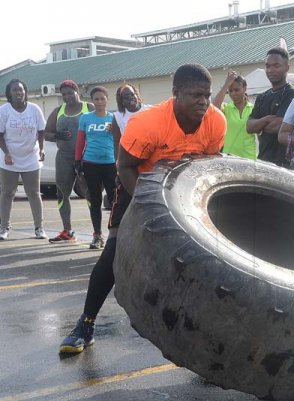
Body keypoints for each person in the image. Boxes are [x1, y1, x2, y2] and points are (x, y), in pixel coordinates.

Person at [59, 64, 226, 354]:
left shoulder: (216, 121)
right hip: (139, 182)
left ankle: (204, 336)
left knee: (208, 259)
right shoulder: (148, 123)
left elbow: (207, 169)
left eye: (207, 96)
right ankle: (85, 324)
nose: (203, 102)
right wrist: (148, 208)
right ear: (175, 94)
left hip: (184, 187)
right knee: (114, 251)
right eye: (195, 95)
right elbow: (124, 166)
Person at [44, 80, 94, 243]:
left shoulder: (89, 108)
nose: (67, 97)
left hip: (86, 157)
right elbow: (47, 134)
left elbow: (102, 127)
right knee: (62, 193)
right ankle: (67, 231)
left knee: (90, 194)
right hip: (64, 157)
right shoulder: (59, 111)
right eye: (63, 94)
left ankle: (97, 232)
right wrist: (58, 135)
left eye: (70, 93)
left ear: (77, 91)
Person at [0, 79, 47, 240]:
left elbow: (41, 130)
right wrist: (6, 152)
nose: (18, 93)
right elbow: (0, 135)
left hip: (31, 157)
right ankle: (4, 228)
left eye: (21, 90)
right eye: (14, 90)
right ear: (9, 94)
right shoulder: (4, 110)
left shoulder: (34, 109)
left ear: (25, 92)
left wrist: (41, 148)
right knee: (7, 192)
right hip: (9, 158)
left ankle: (39, 228)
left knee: (34, 192)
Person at [75, 86, 116, 249]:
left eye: (102, 98)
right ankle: (97, 235)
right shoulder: (85, 118)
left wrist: (115, 131)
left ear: (107, 99)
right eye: (96, 99)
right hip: (91, 163)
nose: (99, 102)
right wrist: (78, 160)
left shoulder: (114, 118)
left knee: (114, 201)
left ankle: (114, 235)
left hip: (111, 163)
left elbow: (121, 140)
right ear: (92, 101)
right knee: (95, 200)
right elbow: (80, 141)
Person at [246, 47, 294, 166]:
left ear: (287, 67)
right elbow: (249, 127)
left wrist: (260, 126)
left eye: (276, 66)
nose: (270, 70)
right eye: (268, 66)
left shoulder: (292, 94)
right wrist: (267, 119)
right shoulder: (262, 97)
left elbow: (278, 126)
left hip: (284, 163)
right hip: (263, 160)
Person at [213, 71, 257, 159]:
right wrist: (226, 85)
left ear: (245, 88)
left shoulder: (253, 109)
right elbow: (214, 107)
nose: (233, 94)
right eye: (230, 91)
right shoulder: (226, 108)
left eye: (237, 90)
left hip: (249, 158)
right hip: (229, 159)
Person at [111, 83, 148, 154]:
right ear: (122, 101)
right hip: (129, 156)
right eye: (126, 97)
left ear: (137, 95)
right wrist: (118, 163)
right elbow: (116, 143)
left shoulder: (149, 110)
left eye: (132, 94)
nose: (131, 97)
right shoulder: (117, 116)